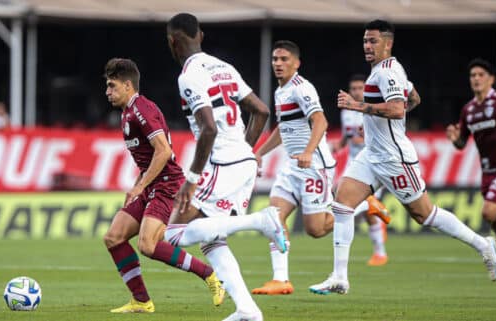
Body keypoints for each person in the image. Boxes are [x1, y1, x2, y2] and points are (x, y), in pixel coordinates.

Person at [309, 19, 496, 296]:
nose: (367, 46)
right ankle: (340, 277)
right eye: (365, 40)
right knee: (342, 203)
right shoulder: (388, 70)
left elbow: (399, 110)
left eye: (373, 41)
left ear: (388, 43)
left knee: (425, 214)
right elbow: (414, 98)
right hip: (372, 154)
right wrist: (376, 122)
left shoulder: (387, 72)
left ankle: (483, 245)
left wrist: (359, 106)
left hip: (393, 158)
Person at [164, 13, 287, 321]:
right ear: (200, 36)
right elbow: (260, 111)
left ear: (172, 41)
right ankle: (247, 310)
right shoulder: (225, 67)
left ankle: (261, 221)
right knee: (211, 240)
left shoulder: (188, 76)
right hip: (241, 160)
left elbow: (208, 129)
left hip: (221, 163)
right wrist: (247, 151)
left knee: (174, 235)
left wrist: (191, 179)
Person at [101, 58, 224, 313]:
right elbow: (148, 160)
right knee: (114, 237)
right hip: (151, 185)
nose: (107, 92)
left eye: (112, 86)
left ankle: (210, 274)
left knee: (147, 244)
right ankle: (141, 301)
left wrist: (139, 187)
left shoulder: (141, 110)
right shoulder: (127, 112)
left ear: (127, 85)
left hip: (167, 185)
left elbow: (164, 151)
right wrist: (139, 186)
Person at [249, 40, 337, 296]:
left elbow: (320, 120)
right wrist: (260, 153)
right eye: (275, 59)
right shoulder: (281, 91)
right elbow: (283, 129)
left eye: (284, 59)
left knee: (315, 230)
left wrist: (309, 151)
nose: (278, 63)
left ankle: (358, 207)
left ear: (296, 63)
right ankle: (281, 280)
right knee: (274, 218)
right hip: (292, 167)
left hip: (314, 166)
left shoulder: (301, 88)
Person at [446, 58, 496, 278]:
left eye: (481, 75)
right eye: (473, 75)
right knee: (495, 220)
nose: (476, 79)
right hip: (487, 172)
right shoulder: (468, 110)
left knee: (490, 211)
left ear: (491, 79)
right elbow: (461, 144)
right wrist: (455, 139)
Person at [333, 74, 391, 267]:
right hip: (353, 162)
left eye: (360, 88)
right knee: (346, 199)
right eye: (354, 88)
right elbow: (346, 136)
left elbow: (379, 136)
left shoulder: (372, 109)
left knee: (360, 205)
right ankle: (379, 249)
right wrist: (338, 145)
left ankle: (380, 253)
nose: (357, 91)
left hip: (373, 162)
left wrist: (359, 139)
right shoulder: (347, 111)